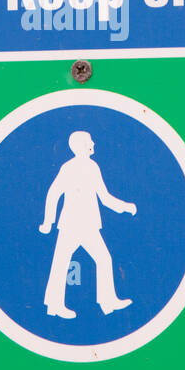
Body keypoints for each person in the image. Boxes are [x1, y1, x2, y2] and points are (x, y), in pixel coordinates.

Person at [39, 130, 136, 318]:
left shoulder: (93, 167)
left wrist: (125, 207)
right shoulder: (68, 168)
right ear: (81, 145)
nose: (93, 143)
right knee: (61, 263)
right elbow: (53, 193)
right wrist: (48, 221)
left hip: (88, 224)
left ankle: (108, 302)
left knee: (103, 259)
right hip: (71, 224)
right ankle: (55, 306)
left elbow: (105, 198)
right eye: (89, 141)